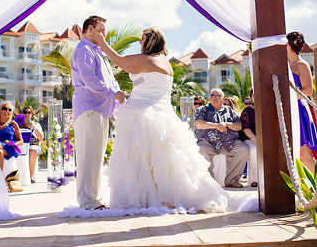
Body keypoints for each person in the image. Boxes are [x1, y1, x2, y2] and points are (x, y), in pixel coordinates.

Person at [96, 27, 234, 211]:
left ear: (151, 41)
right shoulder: (163, 61)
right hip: (159, 113)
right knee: (159, 160)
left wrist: (102, 42)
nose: (140, 42)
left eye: (143, 38)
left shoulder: (149, 60)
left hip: (145, 114)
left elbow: (118, 60)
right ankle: (157, 198)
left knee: (144, 158)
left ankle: (147, 200)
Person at [71, 15, 125, 210]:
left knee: (96, 156)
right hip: (89, 108)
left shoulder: (96, 51)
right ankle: (87, 201)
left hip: (99, 109)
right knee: (88, 157)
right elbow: (90, 80)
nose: (104, 34)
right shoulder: (84, 50)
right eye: (101, 30)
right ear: (90, 29)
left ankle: (92, 198)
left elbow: (108, 79)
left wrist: (118, 95)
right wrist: (113, 93)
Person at [194, 88, 249, 188]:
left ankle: (231, 180)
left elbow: (239, 126)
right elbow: (198, 123)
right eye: (213, 95)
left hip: (229, 142)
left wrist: (226, 124)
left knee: (243, 149)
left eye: (218, 96)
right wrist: (216, 126)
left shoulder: (230, 111)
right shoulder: (202, 110)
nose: (215, 98)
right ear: (210, 98)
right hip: (208, 143)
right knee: (201, 149)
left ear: (223, 99)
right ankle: (209, 182)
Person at [287, 31, 317, 172]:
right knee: (294, 153)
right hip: (289, 109)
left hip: (299, 109)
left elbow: (308, 90)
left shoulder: (302, 64)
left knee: (304, 152)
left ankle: (314, 183)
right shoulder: (286, 65)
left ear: (291, 44)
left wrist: (289, 98)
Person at [0, 101, 23, 171]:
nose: (7, 111)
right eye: (4, 109)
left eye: (9, 110)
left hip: (9, 148)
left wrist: (12, 143)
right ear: (0, 110)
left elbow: (21, 141)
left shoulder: (13, 124)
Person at [19, 106, 44, 183]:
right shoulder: (18, 125)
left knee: (32, 151)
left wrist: (34, 127)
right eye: (25, 112)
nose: (27, 114)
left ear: (32, 114)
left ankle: (31, 176)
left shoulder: (36, 124)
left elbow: (41, 138)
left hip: (33, 145)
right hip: (21, 146)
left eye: (29, 112)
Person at [239, 93, 257, 187]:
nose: (256, 96)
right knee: (254, 149)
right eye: (253, 94)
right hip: (249, 139)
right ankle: (256, 179)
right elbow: (246, 128)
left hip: (265, 139)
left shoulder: (269, 109)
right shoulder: (247, 111)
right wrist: (254, 139)